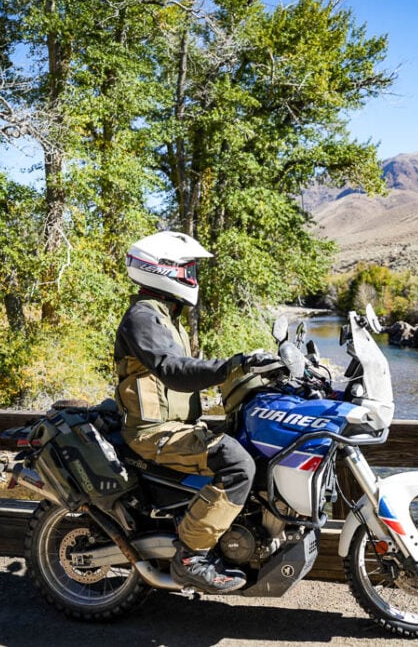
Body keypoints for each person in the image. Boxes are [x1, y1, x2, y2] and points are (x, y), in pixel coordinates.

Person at [114, 230, 259, 594]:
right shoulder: (142, 316)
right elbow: (173, 370)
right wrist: (231, 366)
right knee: (237, 463)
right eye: (186, 269)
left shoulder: (165, 314)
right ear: (161, 270)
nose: (191, 276)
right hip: (152, 432)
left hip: (176, 425)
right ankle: (191, 556)